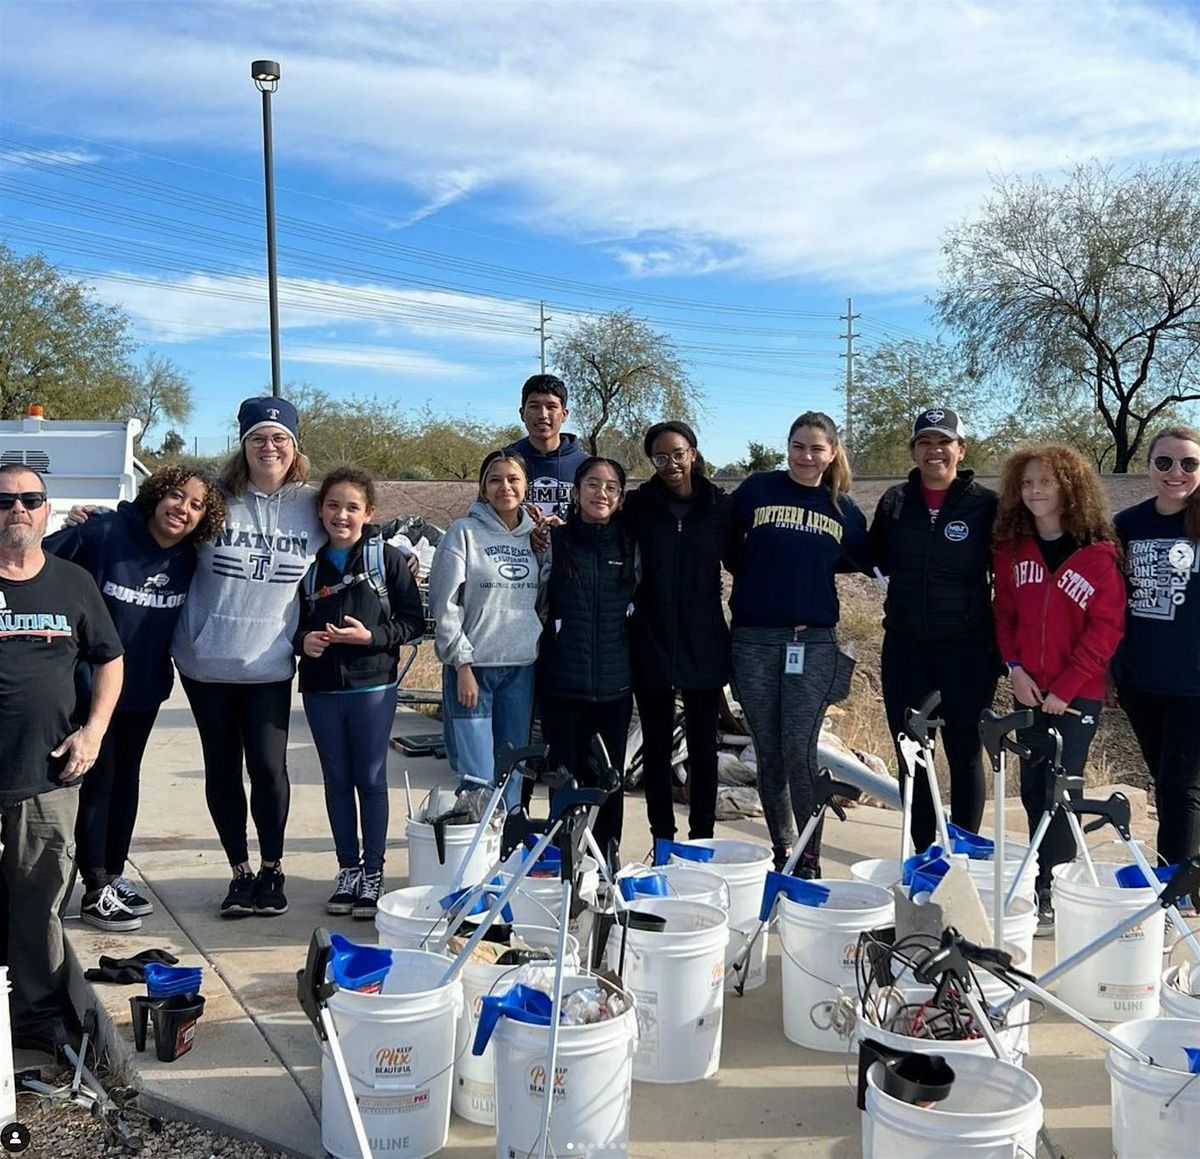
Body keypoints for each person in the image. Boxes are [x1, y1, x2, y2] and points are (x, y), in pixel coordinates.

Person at [45, 466, 226, 933]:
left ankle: (113, 875)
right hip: (84, 691)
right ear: (155, 495)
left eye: (195, 505)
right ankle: (93, 887)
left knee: (125, 781)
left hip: (142, 691)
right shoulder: (103, 533)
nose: (182, 509)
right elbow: (34, 566)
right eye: (175, 496)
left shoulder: (191, 557)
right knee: (96, 784)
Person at [172, 397, 325, 918]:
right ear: (243, 444)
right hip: (205, 660)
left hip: (269, 662)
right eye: (258, 437)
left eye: (280, 438)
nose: (269, 447)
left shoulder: (312, 503)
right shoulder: (214, 498)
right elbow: (157, 522)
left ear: (295, 446)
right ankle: (239, 871)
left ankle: (273, 868)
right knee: (221, 766)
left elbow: (359, 531)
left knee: (267, 766)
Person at [0, 466, 124, 1053]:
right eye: (4, 500)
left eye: (30, 499)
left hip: (44, 777)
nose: (16, 509)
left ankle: (37, 1018)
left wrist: (93, 732)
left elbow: (109, 659)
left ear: (47, 511)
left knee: (39, 903)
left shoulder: (72, 583)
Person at [726, 412, 871, 876]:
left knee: (799, 748)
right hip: (753, 638)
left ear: (831, 453)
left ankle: (810, 856)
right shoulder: (757, 490)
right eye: (798, 447)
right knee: (767, 749)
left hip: (812, 642)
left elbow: (861, 560)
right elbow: (731, 548)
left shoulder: (844, 509)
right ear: (786, 448)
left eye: (816, 449)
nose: (806, 457)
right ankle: (783, 846)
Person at [992, 443, 1125, 932]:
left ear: (1069, 487)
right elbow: (1004, 617)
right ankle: (1039, 883)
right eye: (1026, 483)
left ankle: (1060, 886)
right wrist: (1015, 670)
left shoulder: (1098, 556)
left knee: (1060, 789)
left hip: (1076, 696)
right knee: (1031, 789)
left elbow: (1105, 630)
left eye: (1045, 481)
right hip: (1027, 690)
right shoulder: (1011, 552)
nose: (1034, 491)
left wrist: (1066, 688)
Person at [296, 466, 425, 919]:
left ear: (368, 512)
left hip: (372, 684)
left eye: (352, 507)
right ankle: (347, 870)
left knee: (370, 780)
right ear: (319, 510)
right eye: (333, 505)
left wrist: (370, 638)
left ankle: (373, 874)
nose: (341, 515)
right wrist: (303, 642)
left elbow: (413, 622)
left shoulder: (385, 559)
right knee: (336, 781)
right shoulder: (306, 562)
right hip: (320, 688)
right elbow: (287, 625)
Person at [869, 407, 999, 850]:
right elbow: (871, 556)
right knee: (913, 756)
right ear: (913, 450)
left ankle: (964, 854)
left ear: (960, 449)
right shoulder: (895, 502)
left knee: (964, 754)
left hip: (968, 650)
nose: (934, 450)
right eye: (924, 442)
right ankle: (922, 854)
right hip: (906, 648)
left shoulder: (986, 506)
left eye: (943, 442)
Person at [622, 421, 730, 845]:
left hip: (704, 641)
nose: (671, 464)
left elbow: (745, 558)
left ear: (694, 453)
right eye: (661, 457)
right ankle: (662, 840)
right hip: (650, 639)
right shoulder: (637, 506)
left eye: (678, 454)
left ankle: (701, 839)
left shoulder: (721, 506)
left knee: (705, 750)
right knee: (657, 749)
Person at [428, 450, 548, 811]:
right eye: (495, 479)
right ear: (482, 487)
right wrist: (462, 664)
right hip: (474, 671)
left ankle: (508, 844)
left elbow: (542, 597)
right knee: (477, 775)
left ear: (526, 486)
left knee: (513, 768)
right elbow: (445, 604)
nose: (505, 487)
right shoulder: (463, 533)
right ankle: (477, 854)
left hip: (520, 668)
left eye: (513, 479)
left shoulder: (535, 539)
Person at [540, 457, 638, 870]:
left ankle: (606, 861)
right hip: (562, 684)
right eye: (593, 484)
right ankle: (564, 860)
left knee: (608, 781)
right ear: (576, 491)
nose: (602, 493)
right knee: (565, 778)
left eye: (611, 487)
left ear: (619, 498)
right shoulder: (554, 541)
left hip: (615, 687)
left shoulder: (631, 544)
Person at [1113, 426, 1200, 865]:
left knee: (1179, 788)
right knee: (1165, 781)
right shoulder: (1128, 524)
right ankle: (1188, 876)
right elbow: (1111, 599)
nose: (1176, 472)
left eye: (1189, 463)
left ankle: (1173, 896)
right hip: (1140, 679)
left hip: (1194, 684)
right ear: (1148, 467)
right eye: (1164, 462)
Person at [504, 374, 588, 523]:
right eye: (534, 407)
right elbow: (484, 512)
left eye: (551, 407)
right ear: (522, 413)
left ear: (564, 414)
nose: (542, 415)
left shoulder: (587, 466)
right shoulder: (504, 463)